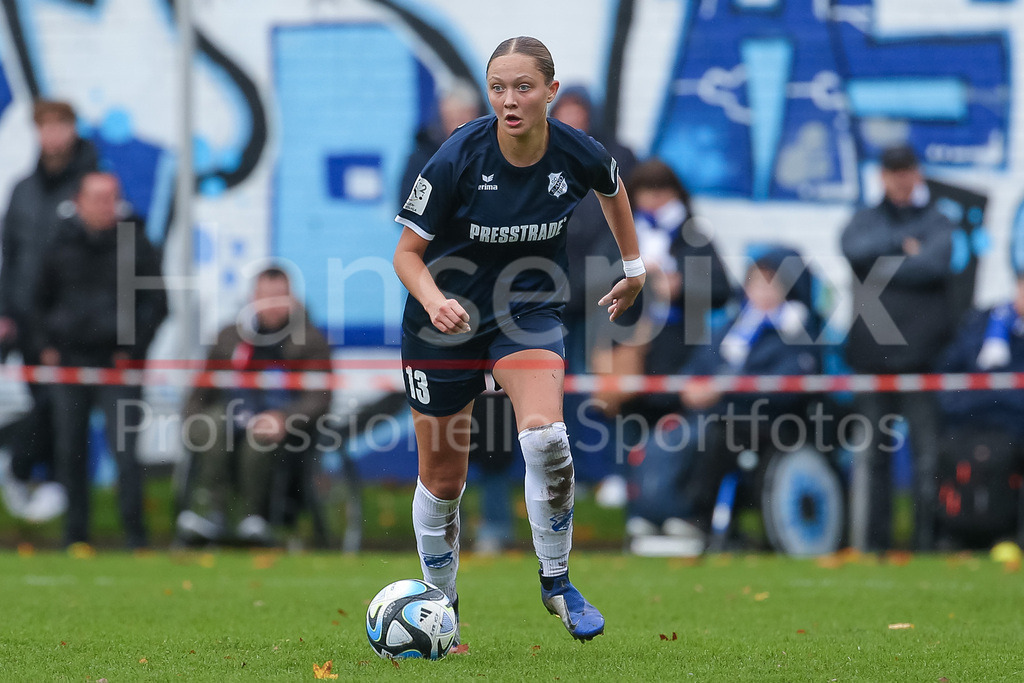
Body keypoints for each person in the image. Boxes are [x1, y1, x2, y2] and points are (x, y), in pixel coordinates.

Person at [392, 36, 644, 642]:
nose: (509, 100)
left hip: (526, 312)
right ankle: (440, 605)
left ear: (550, 92)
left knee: (547, 439)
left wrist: (633, 269)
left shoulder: (576, 151)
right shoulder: (457, 156)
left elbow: (612, 187)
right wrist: (434, 300)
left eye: (523, 87)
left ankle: (556, 582)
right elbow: (406, 255)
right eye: (498, 88)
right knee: (445, 478)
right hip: (442, 323)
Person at [630, 248, 819, 549]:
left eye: (771, 283)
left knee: (715, 436)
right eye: (756, 282)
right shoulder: (731, 329)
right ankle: (654, 514)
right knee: (665, 438)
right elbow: (697, 368)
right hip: (711, 413)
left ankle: (696, 519)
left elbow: (786, 386)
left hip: (767, 421)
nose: (763, 291)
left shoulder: (797, 331)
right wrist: (689, 388)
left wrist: (724, 388)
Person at [32, 172, 167, 548]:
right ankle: (75, 536)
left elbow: (157, 304)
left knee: (125, 454)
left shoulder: (136, 244)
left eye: (110, 197)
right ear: (78, 202)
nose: (103, 205)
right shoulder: (58, 243)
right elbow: (37, 299)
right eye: (95, 197)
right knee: (70, 452)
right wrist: (46, 344)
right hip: (70, 362)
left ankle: (136, 537)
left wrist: (133, 349)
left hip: (118, 364)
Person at [840, 144, 958, 552]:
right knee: (873, 459)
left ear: (917, 174)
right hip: (872, 359)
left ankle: (926, 542)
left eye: (906, 171)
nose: (900, 179)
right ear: (882, 177)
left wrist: (885, 258)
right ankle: (876, 546)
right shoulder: (864, 219)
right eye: (893, 172)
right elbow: (854, 250)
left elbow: (936, 263)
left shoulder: (938, 220)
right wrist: (904, 247)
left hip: (925, 359)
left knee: (928, 458)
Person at [175, 266, 332, 546]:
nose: (271, 304)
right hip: (230, 415)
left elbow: (319, 397)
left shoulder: (311, 340)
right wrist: (192, 420)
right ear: (252, 298)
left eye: (279, 296)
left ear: (292, 299)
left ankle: (253, 516)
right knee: (212, 425)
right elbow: (201, 390)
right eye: (265, 296)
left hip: (284, 426)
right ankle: (213, 513)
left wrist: (284, 417)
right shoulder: (228, 337)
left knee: (258, 436)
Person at [0, 99, 98, 522]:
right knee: (43, 405)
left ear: (73, 130)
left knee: (62, 409)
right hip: (22, 320)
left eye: (60, 126)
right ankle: (30, 473)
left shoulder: (93, 189)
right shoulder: (23, 189)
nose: (52, 136)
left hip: (67, 328)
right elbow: (10, 256)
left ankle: (40, 476)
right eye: (45, 127)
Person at [550, 85, 641, 507]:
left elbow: (623, 226)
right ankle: (576, 474)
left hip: (605, 298)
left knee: (608, 390)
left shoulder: (613, 161)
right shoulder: (538, 159)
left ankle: (615, 474)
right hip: (553, 299)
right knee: (556, 392)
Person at [399, 80, 483, 202]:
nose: (456, 125)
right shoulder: (423, 156)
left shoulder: (493, 152)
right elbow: (408, 204)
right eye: (451, 119)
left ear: (476, 116)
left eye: (462, 118)